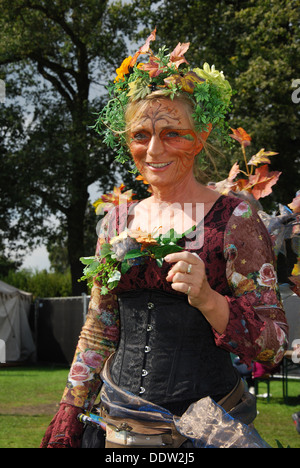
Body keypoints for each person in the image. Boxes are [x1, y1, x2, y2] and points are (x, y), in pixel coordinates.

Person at [41, 30, 288, 448]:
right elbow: (101, 327)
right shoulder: (117, 221)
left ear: (201, 136)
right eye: (141, 135)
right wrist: (70, 408)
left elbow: (275, 345)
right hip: (121, 433)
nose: (154, 149)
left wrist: (210, 299)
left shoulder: (234, 218)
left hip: (207, 432)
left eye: (172, 132)